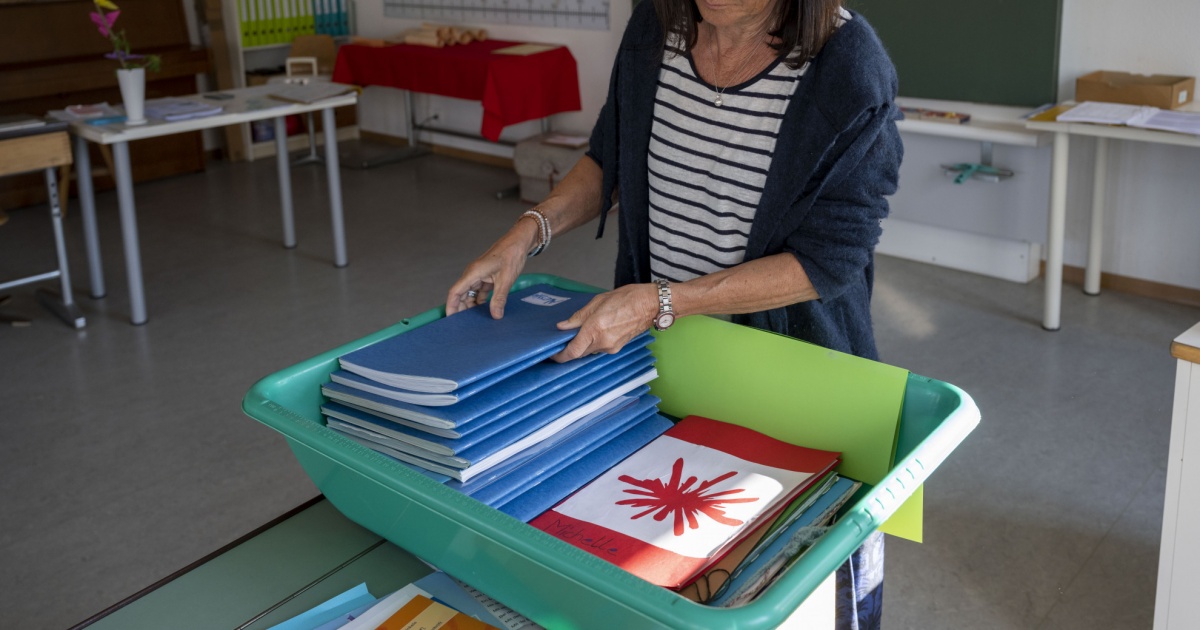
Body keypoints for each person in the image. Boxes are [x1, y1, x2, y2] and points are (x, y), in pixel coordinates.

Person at [448, 0, 901, 626]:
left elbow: (829, 261)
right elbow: (610, 157)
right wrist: (528, 232)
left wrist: (664, 301)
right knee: (654, 569)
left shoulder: (849, 68)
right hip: (665, 362)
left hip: (791, 374)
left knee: (788, 579)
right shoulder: (657, 22)